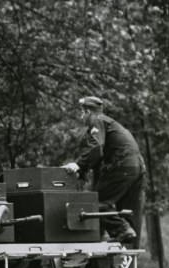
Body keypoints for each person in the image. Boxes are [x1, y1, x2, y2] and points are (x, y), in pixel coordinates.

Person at [62, 96, 145, 248]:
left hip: (122, 165)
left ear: (87, 112)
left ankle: (122, 230)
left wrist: (78, 165)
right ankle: (130, 245)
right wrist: (84, 171)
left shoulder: (96, 120)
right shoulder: (111, 124)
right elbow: (99, 158)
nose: (82, 117)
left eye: (82, 113)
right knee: (128, 210)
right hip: (136, 166)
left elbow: (96, 148)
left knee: (94, 203)